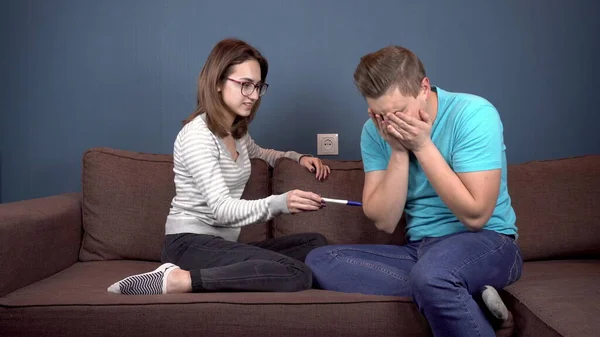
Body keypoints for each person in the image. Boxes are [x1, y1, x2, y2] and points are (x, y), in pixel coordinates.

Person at [305, 45, 523, 337]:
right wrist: (397, 151)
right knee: (320, 261)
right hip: (420, 250)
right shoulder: (374, 132)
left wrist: (421, 146)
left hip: (487, 243)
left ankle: (443, 286)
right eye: (380, 115)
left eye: (397, 112)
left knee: (434, 276)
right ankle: (458, 294)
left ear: (423, 88)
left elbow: (476, 216)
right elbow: (384, 220)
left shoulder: (472, 114)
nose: (390, 123)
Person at [108, 38, 330, 295]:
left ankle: (252, 271)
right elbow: (222, 210)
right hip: (188, 245)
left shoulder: (236, 133)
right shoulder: (197, 136)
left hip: (220, 244)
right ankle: (178, 280)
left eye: (258, 86)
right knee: (296, 272)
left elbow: (264, 153)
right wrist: (282, 203)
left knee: (315, 244)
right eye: (246, 85)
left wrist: (297, 157)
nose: (255, 96)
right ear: (217, 83)